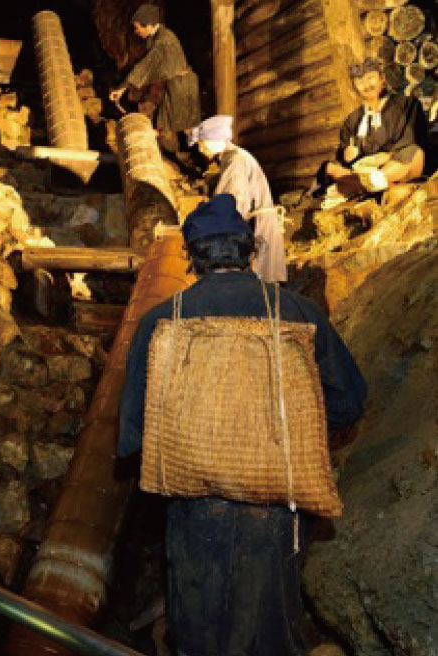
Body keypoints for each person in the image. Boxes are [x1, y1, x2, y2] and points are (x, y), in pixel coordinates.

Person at [118, 194, 367, 656]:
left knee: (198, 621)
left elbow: (133, 429)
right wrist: (289, 434)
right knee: (270, 622)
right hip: (276, 502)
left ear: (192, 256)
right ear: (250, 249)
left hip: (194, 505)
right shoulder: (297, 312)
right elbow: (350, 400)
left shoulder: (162, 319)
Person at [191, 114, 287, 283]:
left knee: (259, 285)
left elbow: (233, 203)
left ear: (215, 139)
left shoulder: (236, 161)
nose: (200, 148)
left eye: (201, 142)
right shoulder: (235, 157)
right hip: (257, 224)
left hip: (258, 228)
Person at [321, 58, 427, 193]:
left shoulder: (406, 104)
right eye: (359, 82)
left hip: (395, 167)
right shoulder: (352, 119)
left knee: (415, 153)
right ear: (355, 88)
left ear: (382, 79)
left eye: (370, 78)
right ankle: (366, 183)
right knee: (329, 167)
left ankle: (367, 184)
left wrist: (383, 157)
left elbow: (411, 141)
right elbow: (343, 153)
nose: (366, 85)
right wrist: (345, 155)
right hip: (363, 170)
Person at [109, 4, 200, 157]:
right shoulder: (157, 37)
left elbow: (145, 67)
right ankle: (175, 157)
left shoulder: (163, 41)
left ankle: (203, 162)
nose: (136, 32)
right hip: (175, 84)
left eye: (138, 28)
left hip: (181, 87)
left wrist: (122, 88)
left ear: (149, 25)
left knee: (185, 127)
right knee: (170, 124)